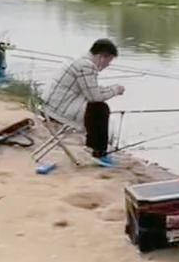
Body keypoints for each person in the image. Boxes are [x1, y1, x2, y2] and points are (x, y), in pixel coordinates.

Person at [43, 38, 126, 166]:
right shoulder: (87, 66)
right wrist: (115, 90)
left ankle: (94, 148)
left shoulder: (80, 60)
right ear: (102, 57)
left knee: (96, 107)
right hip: (59, 109)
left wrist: (110, 89)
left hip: (53, 104)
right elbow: (94, 96)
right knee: (100, 108)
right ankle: (98, 153)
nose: (108, 65)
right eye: (109, 61)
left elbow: (91, 89)